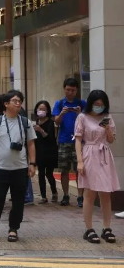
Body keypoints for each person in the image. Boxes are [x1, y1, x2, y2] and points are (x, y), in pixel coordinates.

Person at [0, 90, 37, 243]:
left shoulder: (25, 122)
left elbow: (31, 144)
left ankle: (13, 229)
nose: (18, 103)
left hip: (20, 168)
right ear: (6, 104)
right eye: (15, 101)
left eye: (20, 101)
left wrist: (32, 163)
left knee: (18, 201)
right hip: (0, 168)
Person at [75, 90, 120, 244]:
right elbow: (78, 140)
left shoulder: (107, 117)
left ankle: (107, 228)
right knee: (90, 193)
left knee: (106, 193)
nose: (99, 107)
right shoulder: (82, 117)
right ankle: (89, 229)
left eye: (101, 104)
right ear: (91, 103)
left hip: (104, 155)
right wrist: (80, 161)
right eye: (96, 104)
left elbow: (111, 140)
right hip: (89, 153)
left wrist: (107, 128)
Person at [53, 78, 86, 207]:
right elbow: (56, 122)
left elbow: (88, 121)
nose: (70, 92)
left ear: (76, 90)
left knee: (80, 170)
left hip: (79, 141)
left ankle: (80, 196)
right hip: (64, 140)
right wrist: (62, 113)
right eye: (68, 90)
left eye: (73, 90)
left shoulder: (82, 103)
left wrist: (80, 114)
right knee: (64, 170)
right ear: (64, 89)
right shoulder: (59, 103)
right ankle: (66, 195)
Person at [33, 100, 58, 204]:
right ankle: (43, 196)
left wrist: (41, 130)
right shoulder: (35, 122)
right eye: (40, 109)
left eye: (44, 109)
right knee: (41, 174)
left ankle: (54, 193)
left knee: (49, 173)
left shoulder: (51, 123)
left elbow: (51, 138)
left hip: (50, 151)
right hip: (39, 151)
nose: (41, 111)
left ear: (47, 111)